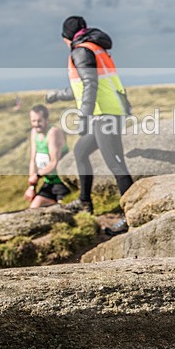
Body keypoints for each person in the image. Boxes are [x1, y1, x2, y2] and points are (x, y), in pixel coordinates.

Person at [46, 16, 134, 236]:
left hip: (105, 115)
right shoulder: (94, 48)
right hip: (108, 111)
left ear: (66, 37)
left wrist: (83, 118)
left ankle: (131, 217)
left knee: (116, 165)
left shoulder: (80, 51)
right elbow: (83, 86)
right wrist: (58, 95)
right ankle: (85, 201)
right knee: (81, 150)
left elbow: (91, 84)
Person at [24, 104, 71, 208]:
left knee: (62, 212)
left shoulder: (53, 133)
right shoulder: (34, 133)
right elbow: (33, 160)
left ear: (47, 120)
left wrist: (37, 176)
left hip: (62, 182)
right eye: (33, 121)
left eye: (39, 121)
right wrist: (32, 187)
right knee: (33, 208)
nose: (36, 124)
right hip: (48, 182)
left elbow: (54, 162)